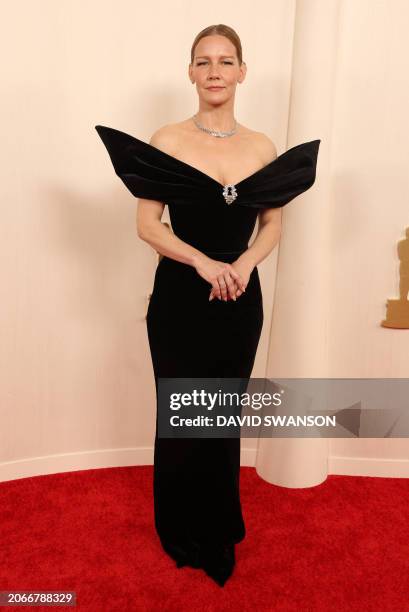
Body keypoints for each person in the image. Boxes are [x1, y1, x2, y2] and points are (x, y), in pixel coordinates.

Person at [95, 23, 320, 587]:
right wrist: (202, 262)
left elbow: (273, 225)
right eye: (203, 61)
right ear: (191, 73)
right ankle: (179, 529)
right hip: (180, 297)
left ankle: (219, 530)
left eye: (225, 61)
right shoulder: (167, 139)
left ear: (242, 72)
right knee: (181, 415)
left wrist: (242, 264)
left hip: (240, 297)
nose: (215, 70)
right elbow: (148, 224)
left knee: (220, 419)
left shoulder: (262, 146)